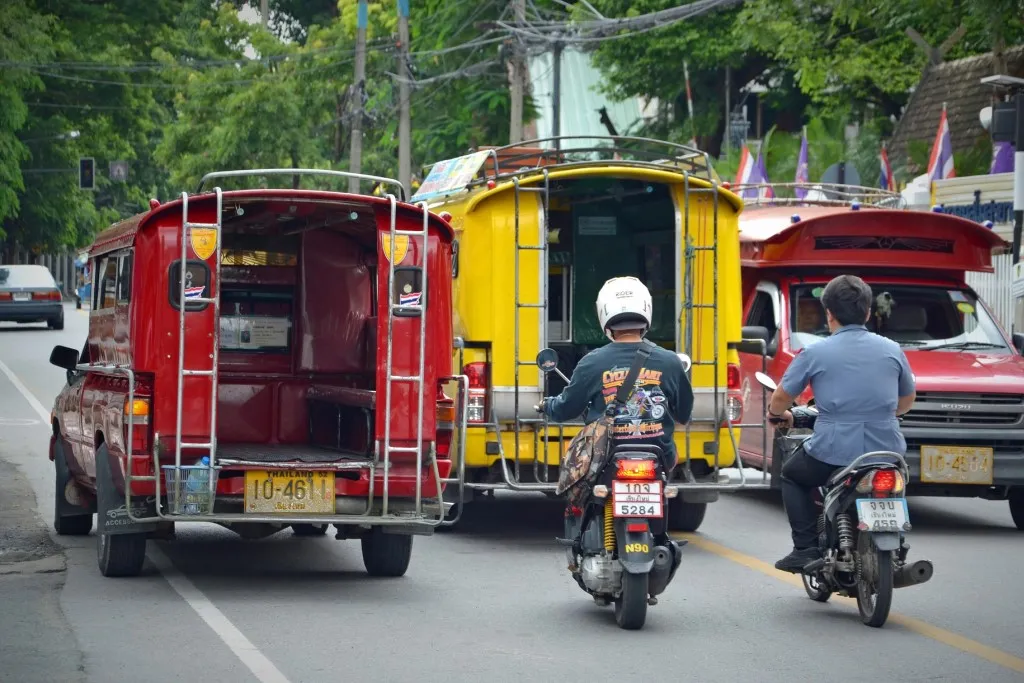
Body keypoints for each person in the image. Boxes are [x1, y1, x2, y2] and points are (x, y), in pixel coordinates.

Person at [766, 274, 916, 573]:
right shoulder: (892, 349)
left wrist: (777, 412)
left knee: (792, 475)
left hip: (833, 451)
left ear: (829, 313)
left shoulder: (814, 352)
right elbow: (906, 400)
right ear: (868, 312)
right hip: (886, 451)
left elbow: (781, 398)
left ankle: (805, 548)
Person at [539, 276, 693, 473]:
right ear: (647, 310)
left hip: (604, 456)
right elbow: (684, 414)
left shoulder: (592, 362)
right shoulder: (670, 361)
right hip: (660, 456)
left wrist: (548, 405)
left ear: (604, 314)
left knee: (578, 490)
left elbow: (567, 409)